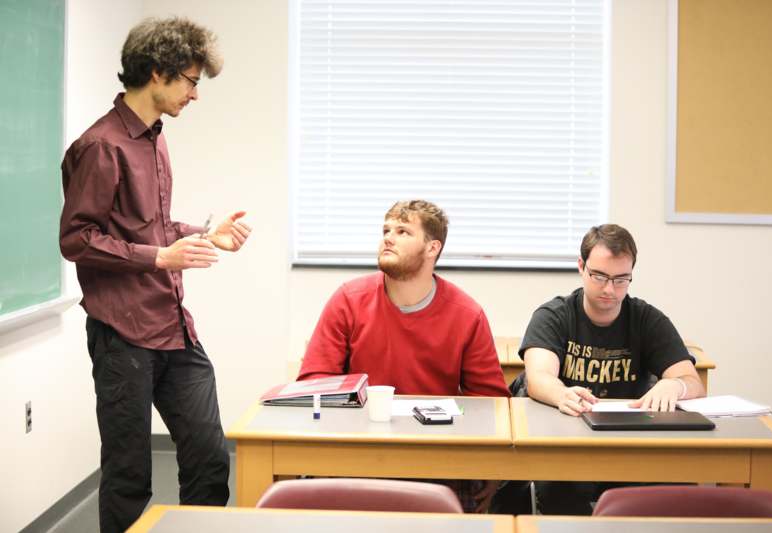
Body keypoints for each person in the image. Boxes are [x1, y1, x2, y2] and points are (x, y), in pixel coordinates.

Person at [60, 17, 251, 533]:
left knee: (210, 459)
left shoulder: (154, 139)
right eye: (190, 81)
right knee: (129, 477)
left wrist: (204, 233)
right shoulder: (102, 146)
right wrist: (159, 258)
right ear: (157, 72)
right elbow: (77, 239)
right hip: (122, 334)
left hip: (172, 326)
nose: (195, 94)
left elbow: (152, 226)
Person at [298, 199, 510, 512]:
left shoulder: (467, 314)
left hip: (435, 454)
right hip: (357, 449)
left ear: (432, 248)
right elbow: (314, 381)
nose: (388, 238)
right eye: (386, 230)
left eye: (403, 232)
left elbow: (490, 402)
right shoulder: (348, 299)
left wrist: (490, 467)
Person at [507, 223, 705, 515]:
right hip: (564, 444)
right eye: (599, 276)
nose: (610, 289)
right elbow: (538, 378)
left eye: (621, 279)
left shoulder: (647, 319)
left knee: (676, 481)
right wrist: (562, 394)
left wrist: (676, 385)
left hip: (629, 445)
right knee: (558, 491)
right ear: (581, 267)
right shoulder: (554, 315)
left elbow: (694, 381)